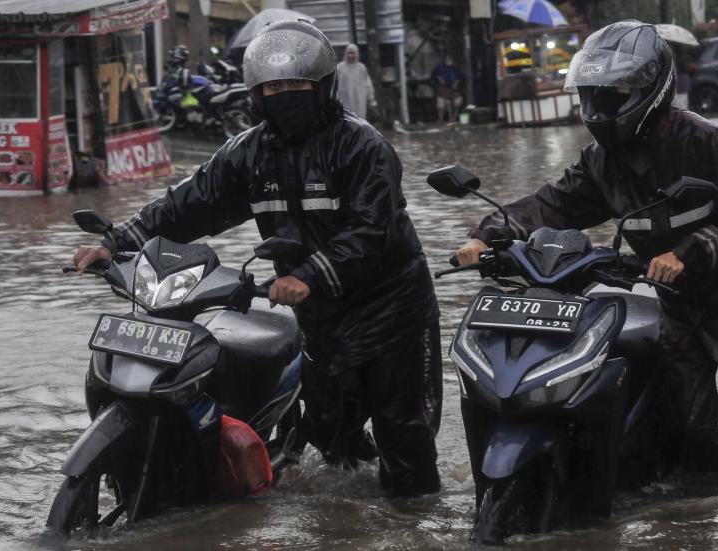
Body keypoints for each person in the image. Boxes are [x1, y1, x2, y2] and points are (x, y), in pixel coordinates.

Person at [73, 20, 442, 497]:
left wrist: (310, 273)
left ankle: (415, 525)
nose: (284, 95)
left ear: (322, 86)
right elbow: (188, 204)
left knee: (404, 439)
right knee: (331, 438)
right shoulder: (248, 153)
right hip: (319, 314)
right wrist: (116, 241)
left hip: (390, 308)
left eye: (296, 85)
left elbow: (372, 231)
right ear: (256, 93)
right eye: (272, 87)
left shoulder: (361, 145)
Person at [455, 20, 718, 485]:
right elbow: (551, 203)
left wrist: (687, 253)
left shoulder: (702, 142)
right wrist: (486, 234)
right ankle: (704, 504)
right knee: (689, 421)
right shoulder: (600, 162)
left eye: (614, 92)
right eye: (592, 93)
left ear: (652, 89)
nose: (599, 105)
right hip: (678, 301)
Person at [336, 43, 377, 119]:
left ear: (357, 54)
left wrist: (370, 98)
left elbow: (368, 84)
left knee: (360, 121)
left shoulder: (361, 68)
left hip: (359, 101)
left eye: (353, 53)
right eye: (349, 53)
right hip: (344, 101)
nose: (350, 56)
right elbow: (334, 84)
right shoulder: (340, 68)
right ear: (345, 54)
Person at [431, 54, 464, 122]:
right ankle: (441, 119)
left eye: (450, 59)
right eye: (447, 59)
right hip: (443, 90)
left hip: (453, 91)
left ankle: (454, 117)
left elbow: (461, 77)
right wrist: (438, 78)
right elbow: (432, 76)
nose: (448, 60)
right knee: (440, 102)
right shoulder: (439, 68)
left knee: (458, 100)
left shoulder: (456, 68)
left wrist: (457, 82)